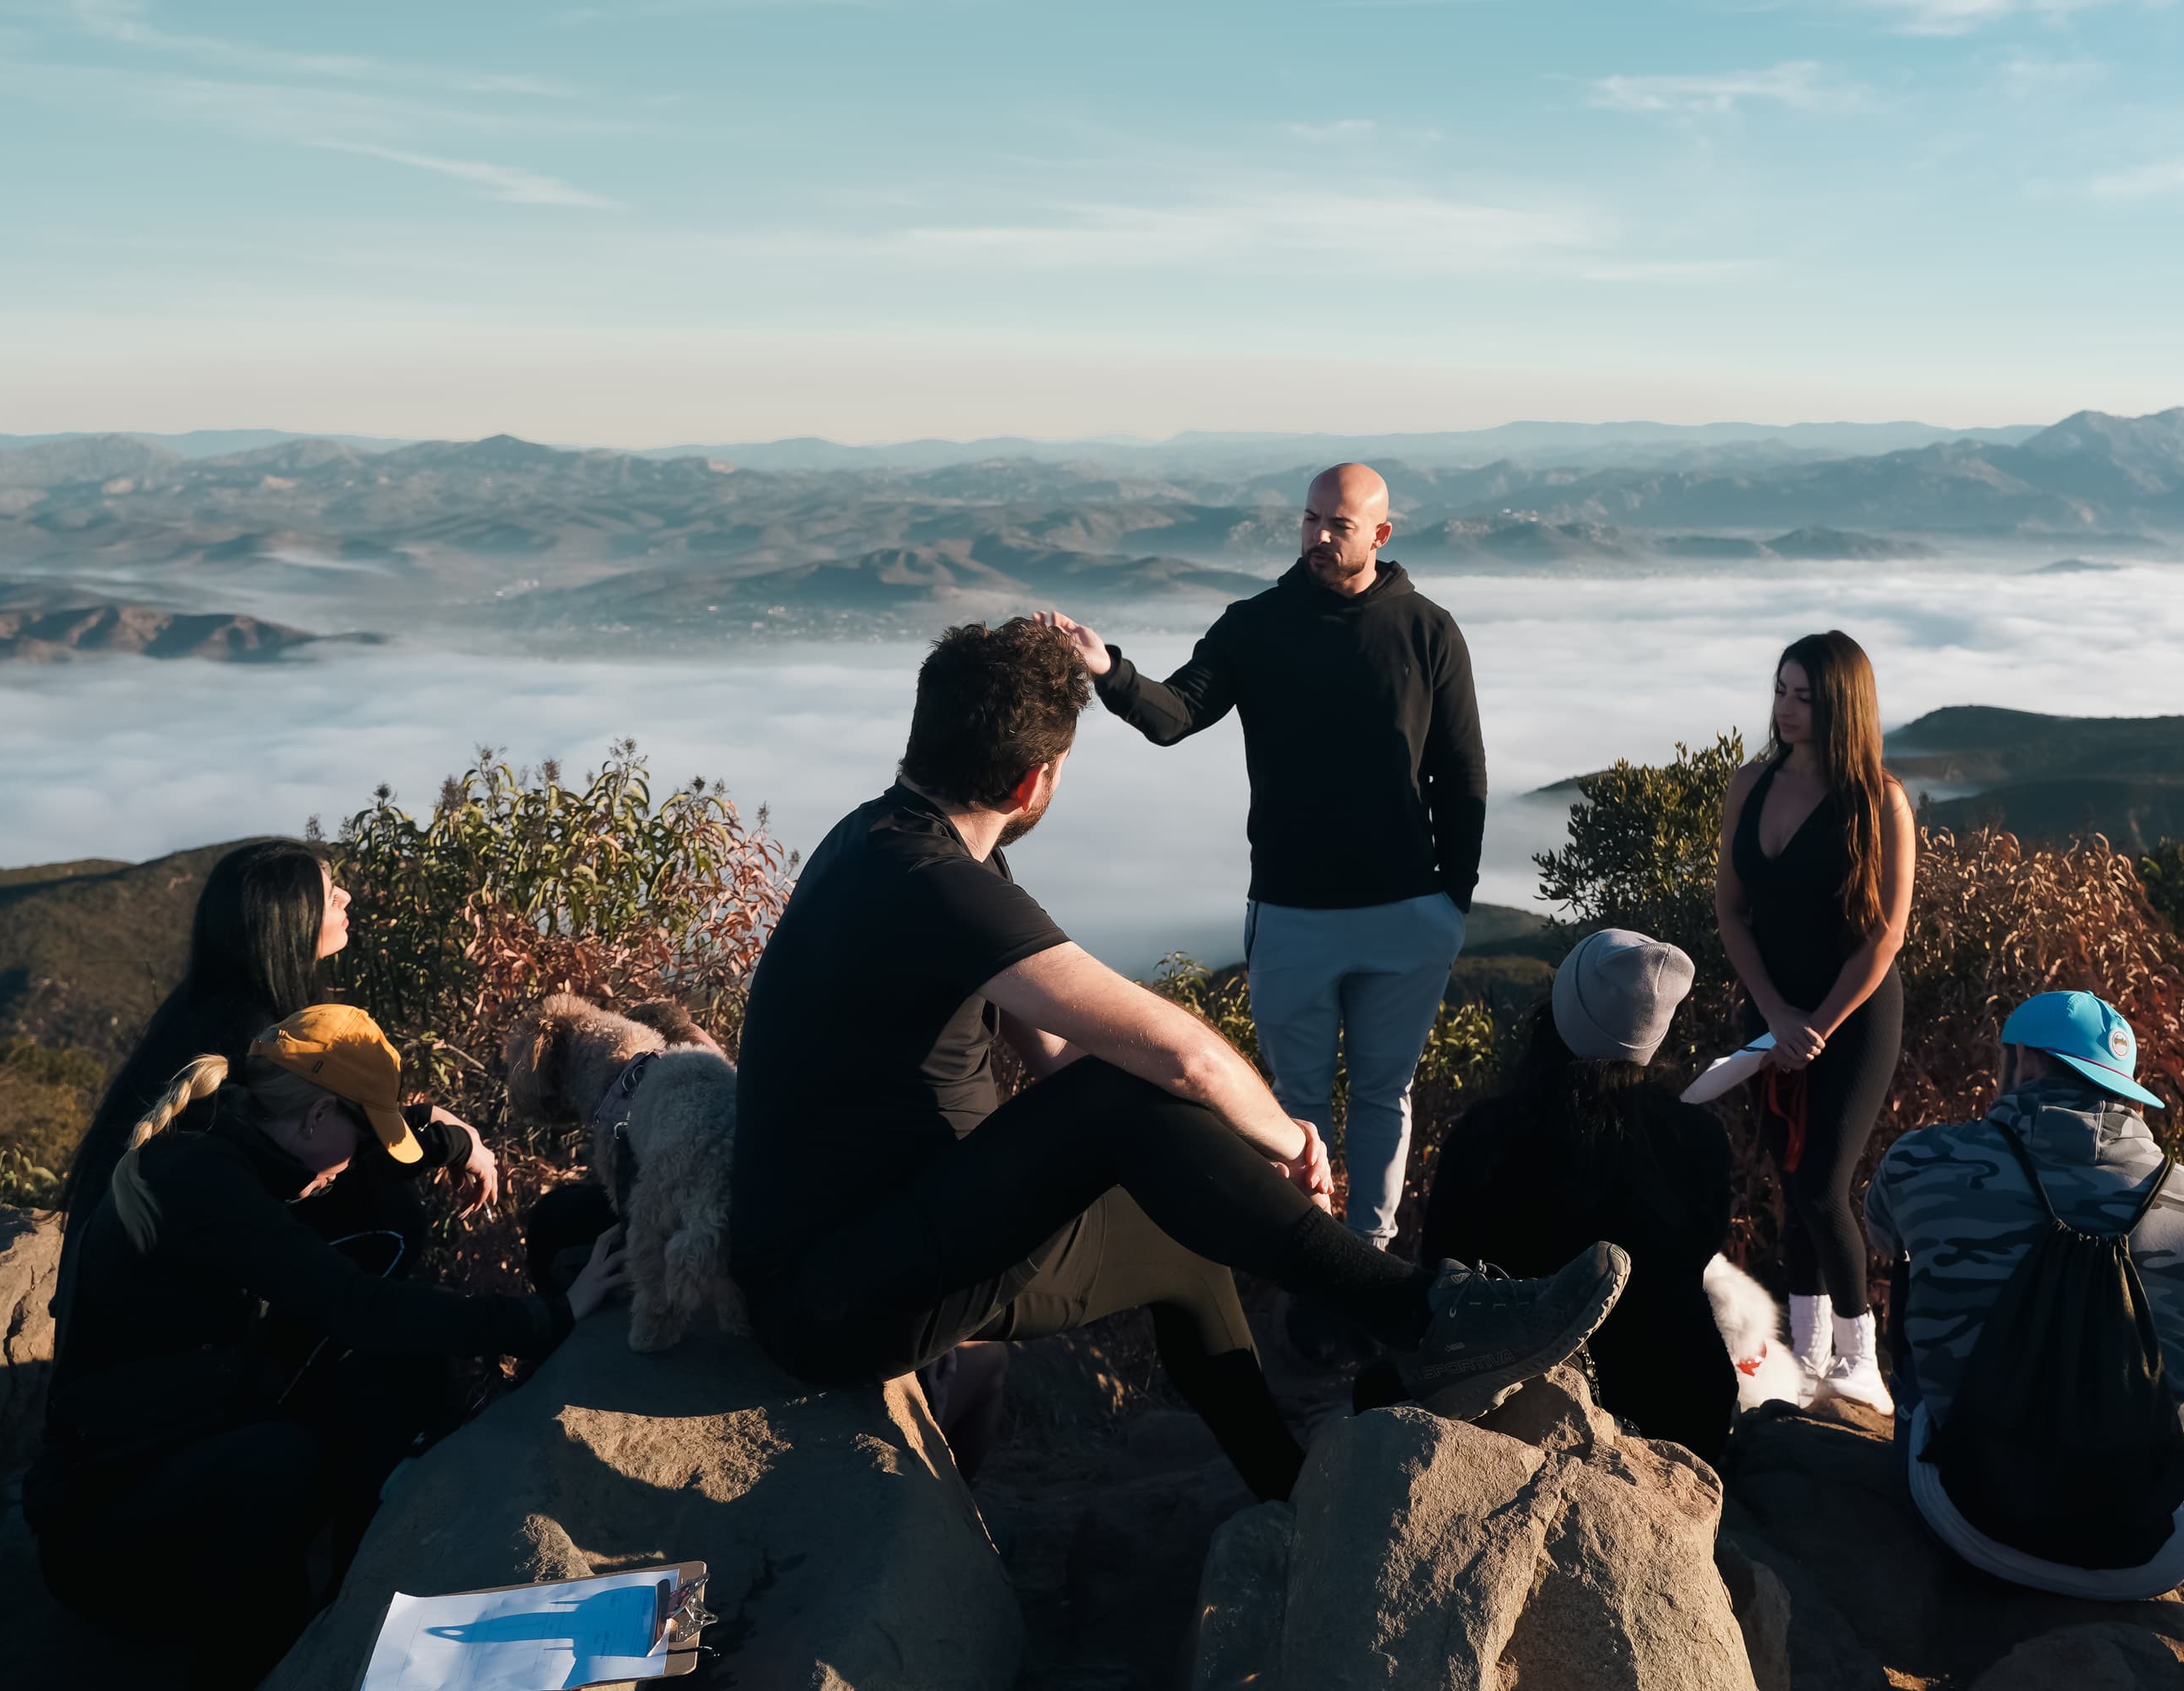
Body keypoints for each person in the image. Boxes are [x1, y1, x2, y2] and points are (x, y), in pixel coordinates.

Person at [726, 617, 1625, 1503]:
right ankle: (1426, 1317)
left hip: (880, 1257)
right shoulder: (933, 883)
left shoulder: (887, 842)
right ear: (1032, 781)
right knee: (1128, 1092)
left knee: (1181, 1249)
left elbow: (1055, 1051)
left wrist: (1223, 1161)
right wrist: (1287, 1139)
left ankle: (1286, 1494)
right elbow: (1177, 1055)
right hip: (844, 1299)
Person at [29, 1007, 627, 1689]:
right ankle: (264, 1669)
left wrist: (457, 1144)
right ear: (316, 1118)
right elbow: (357, 1307)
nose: (352, 1162)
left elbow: (367, 1162)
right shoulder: (205, 1187)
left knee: (380, 1334)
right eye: (360, 1130)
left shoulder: (232, 1134)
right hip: (101, 1537)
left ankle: (352, 1595)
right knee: (285, 1459)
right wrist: (549, 1316)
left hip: (175, 1444)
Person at [1041, 460, 1485, 1249]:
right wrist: (1108, 669)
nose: (1317, 535)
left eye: (1337, 525)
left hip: (1407, 914)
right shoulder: (1256, 623)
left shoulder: (1428, 631)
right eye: (1310, 518)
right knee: (1295, 1107)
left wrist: (1452, 902)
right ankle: (1309, 1261)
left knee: (1386, 1094)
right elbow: (1176, 713)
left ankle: (1371, 1255)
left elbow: (1461, 773)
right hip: (1292, 913)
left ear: (1379, 535)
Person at [1866, 991, 2184, 1600]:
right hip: (2146, 1553)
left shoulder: (1923, 1160)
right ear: (2123, 1085)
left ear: (2020, 1061)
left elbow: (1883, 1239)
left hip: (1968, 1516)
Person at [59, 840, 501, 1270]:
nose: (346, 896)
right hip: (162, 1298)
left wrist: (430, 1118)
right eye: (330, 896)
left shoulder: (215, 1004)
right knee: (392, 1218)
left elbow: (325, 1123)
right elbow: (321, 1156)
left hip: (117, 1279)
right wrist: (450, 1143)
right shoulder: (250, 1033)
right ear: (291, 923)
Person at [1414, 929, 1738, 1464]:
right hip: (1683, 1412)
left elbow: (1441, 1270)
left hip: (1515, 1414)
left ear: (1559, 1010)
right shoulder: (1697, 1139)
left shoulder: (1488, 1136)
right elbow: (1696, 1256)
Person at [1713, 631, 1916, 1409]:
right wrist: (1773, 1015)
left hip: (1855, 1016)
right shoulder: (1750, 784)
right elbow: (1733, 913)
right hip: (1770, 1009)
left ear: (1843, 705)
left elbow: (1886, 934)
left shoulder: (1880, 801)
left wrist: (1817, 1024)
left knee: (1825, 1182)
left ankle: (1861, 1359)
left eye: (1807, 696)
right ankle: (1809, 1351)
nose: (1788, 709)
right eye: (1781, 691)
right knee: (1790, 1181)